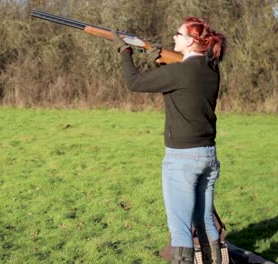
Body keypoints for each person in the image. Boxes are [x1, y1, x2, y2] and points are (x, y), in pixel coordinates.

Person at [110, 17, 227, 264]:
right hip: (208, 155)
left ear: (191, 41)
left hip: (182, 158)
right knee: (205, 220)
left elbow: (133, 83)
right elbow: (181, 88)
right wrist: (160, 62)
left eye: (178, 34)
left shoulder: (180, 71)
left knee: (180, 229)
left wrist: (124, 51)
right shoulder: (211, 69)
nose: (174, 37)